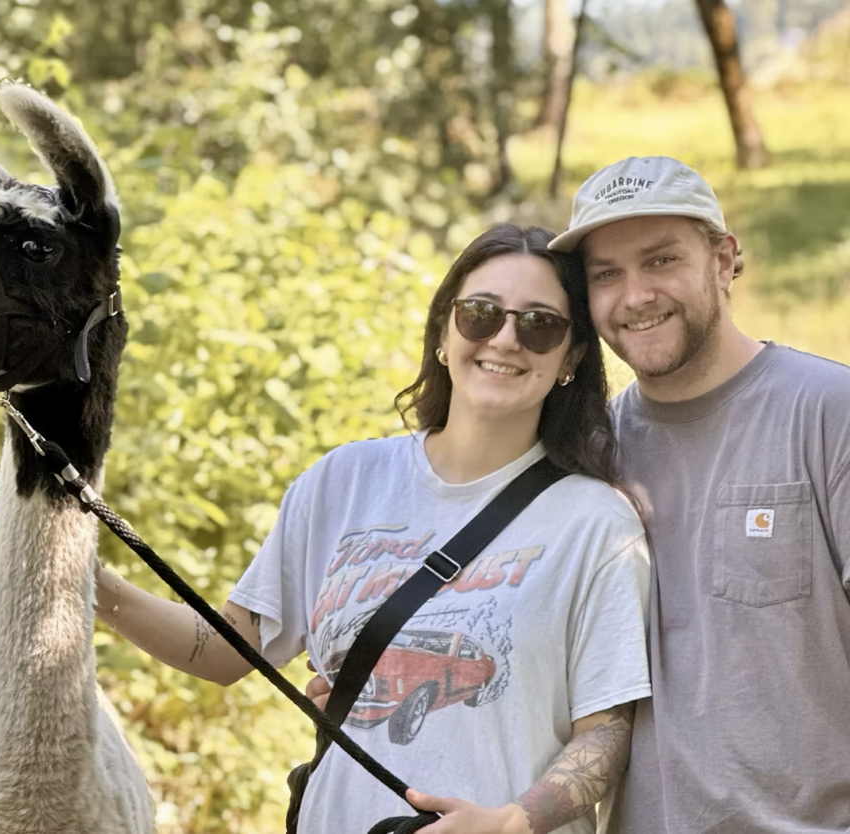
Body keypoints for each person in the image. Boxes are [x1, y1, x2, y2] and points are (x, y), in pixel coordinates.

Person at [94, 224, 652, 834]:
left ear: (571, 357)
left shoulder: (597, 524)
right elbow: (229, 650)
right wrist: (84, 580)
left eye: (539, 324)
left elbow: (606, 733)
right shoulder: (345, 481)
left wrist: (513, 821)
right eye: (481, 314)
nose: (506, 339)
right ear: (444, 331)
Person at [543, 156, 850, 833]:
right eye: (606, 275)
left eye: (660, 261)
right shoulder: (590, 456)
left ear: (723, 259)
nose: (635, 296)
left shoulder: (831, 414)